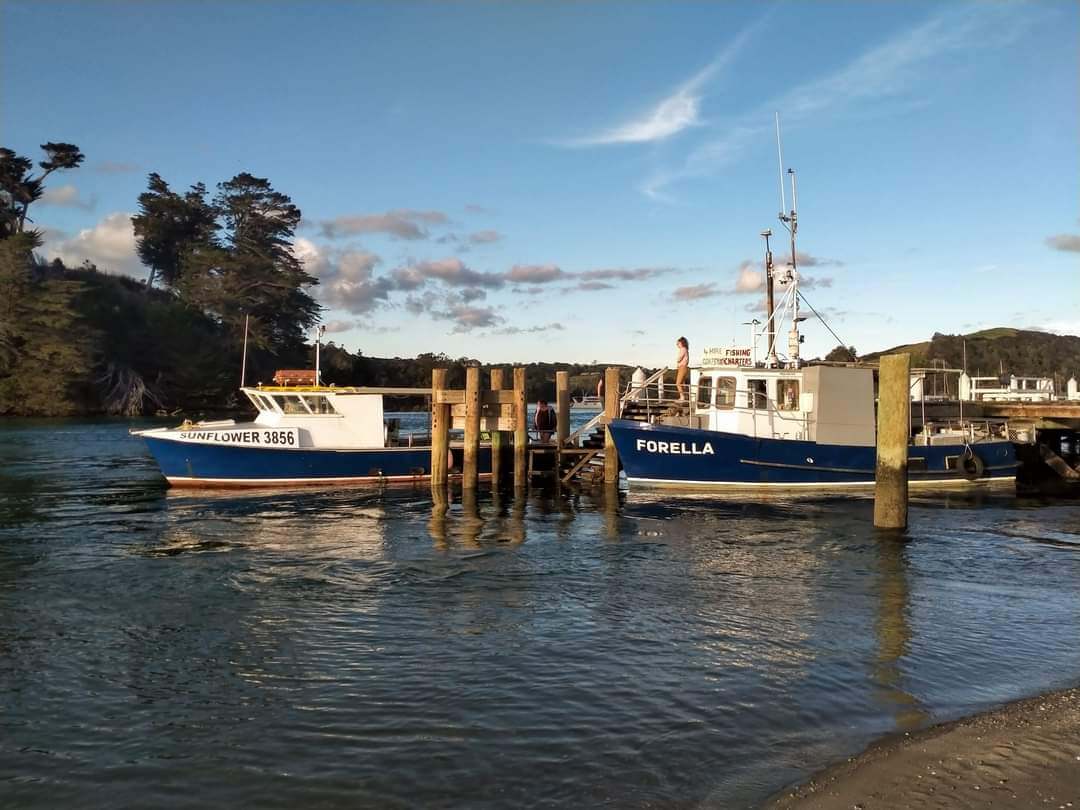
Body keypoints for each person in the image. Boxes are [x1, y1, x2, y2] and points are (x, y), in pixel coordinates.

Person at [675, 336, 690, 402]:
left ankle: (682, 397)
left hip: (682, 367)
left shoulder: (683, 349)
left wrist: (677, 361)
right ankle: (685, 397)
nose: (677, 344)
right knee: (682, 383)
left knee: (678, 383)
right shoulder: (685, 349)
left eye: (678, 343)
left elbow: (679, 359)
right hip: (684, 367)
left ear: (682, 343)